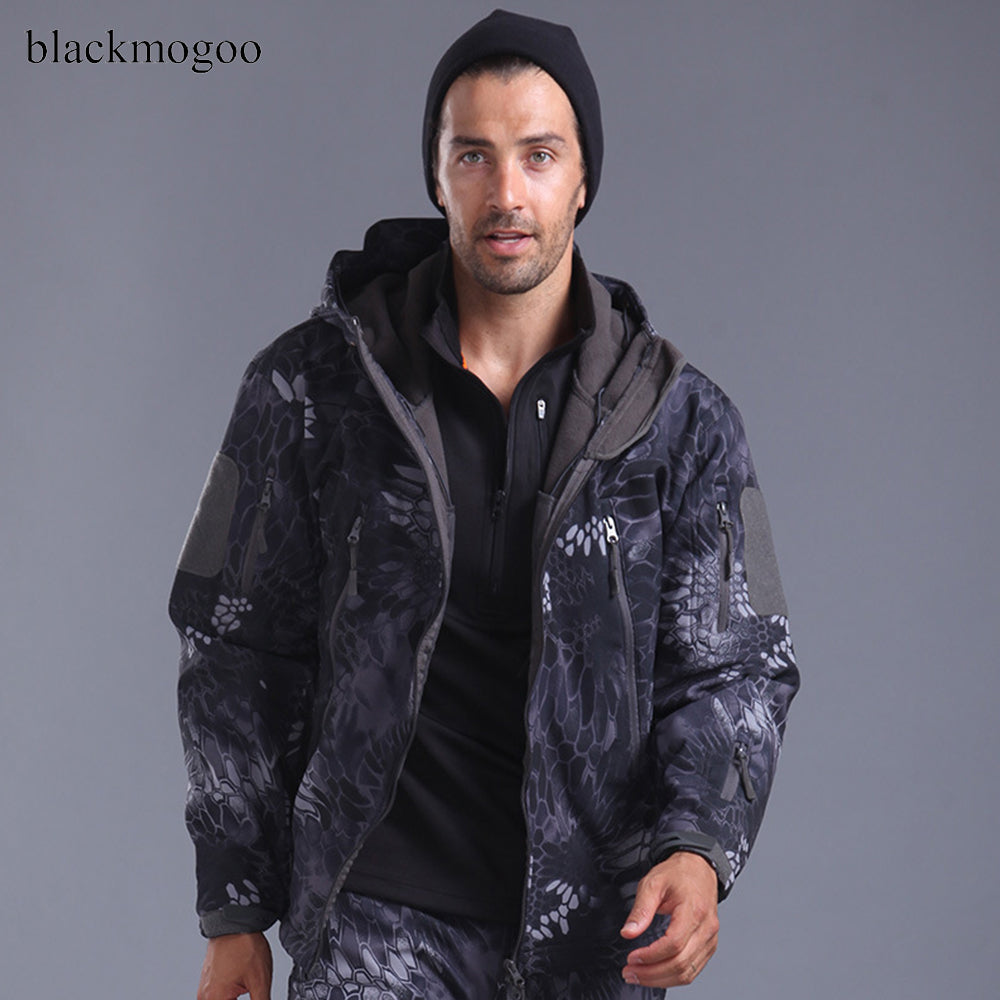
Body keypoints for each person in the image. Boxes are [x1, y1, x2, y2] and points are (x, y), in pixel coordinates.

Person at [170, 10, 799, 1000]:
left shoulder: (679, 422)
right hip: (374, 925)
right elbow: (233, 648)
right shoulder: (311, 388)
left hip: (592, 934)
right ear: (436, 175)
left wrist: (699, 848)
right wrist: (236, 907)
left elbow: (737, 665)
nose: (506, 193)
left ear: (583, 179)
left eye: (539, 156)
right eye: (474, 155)